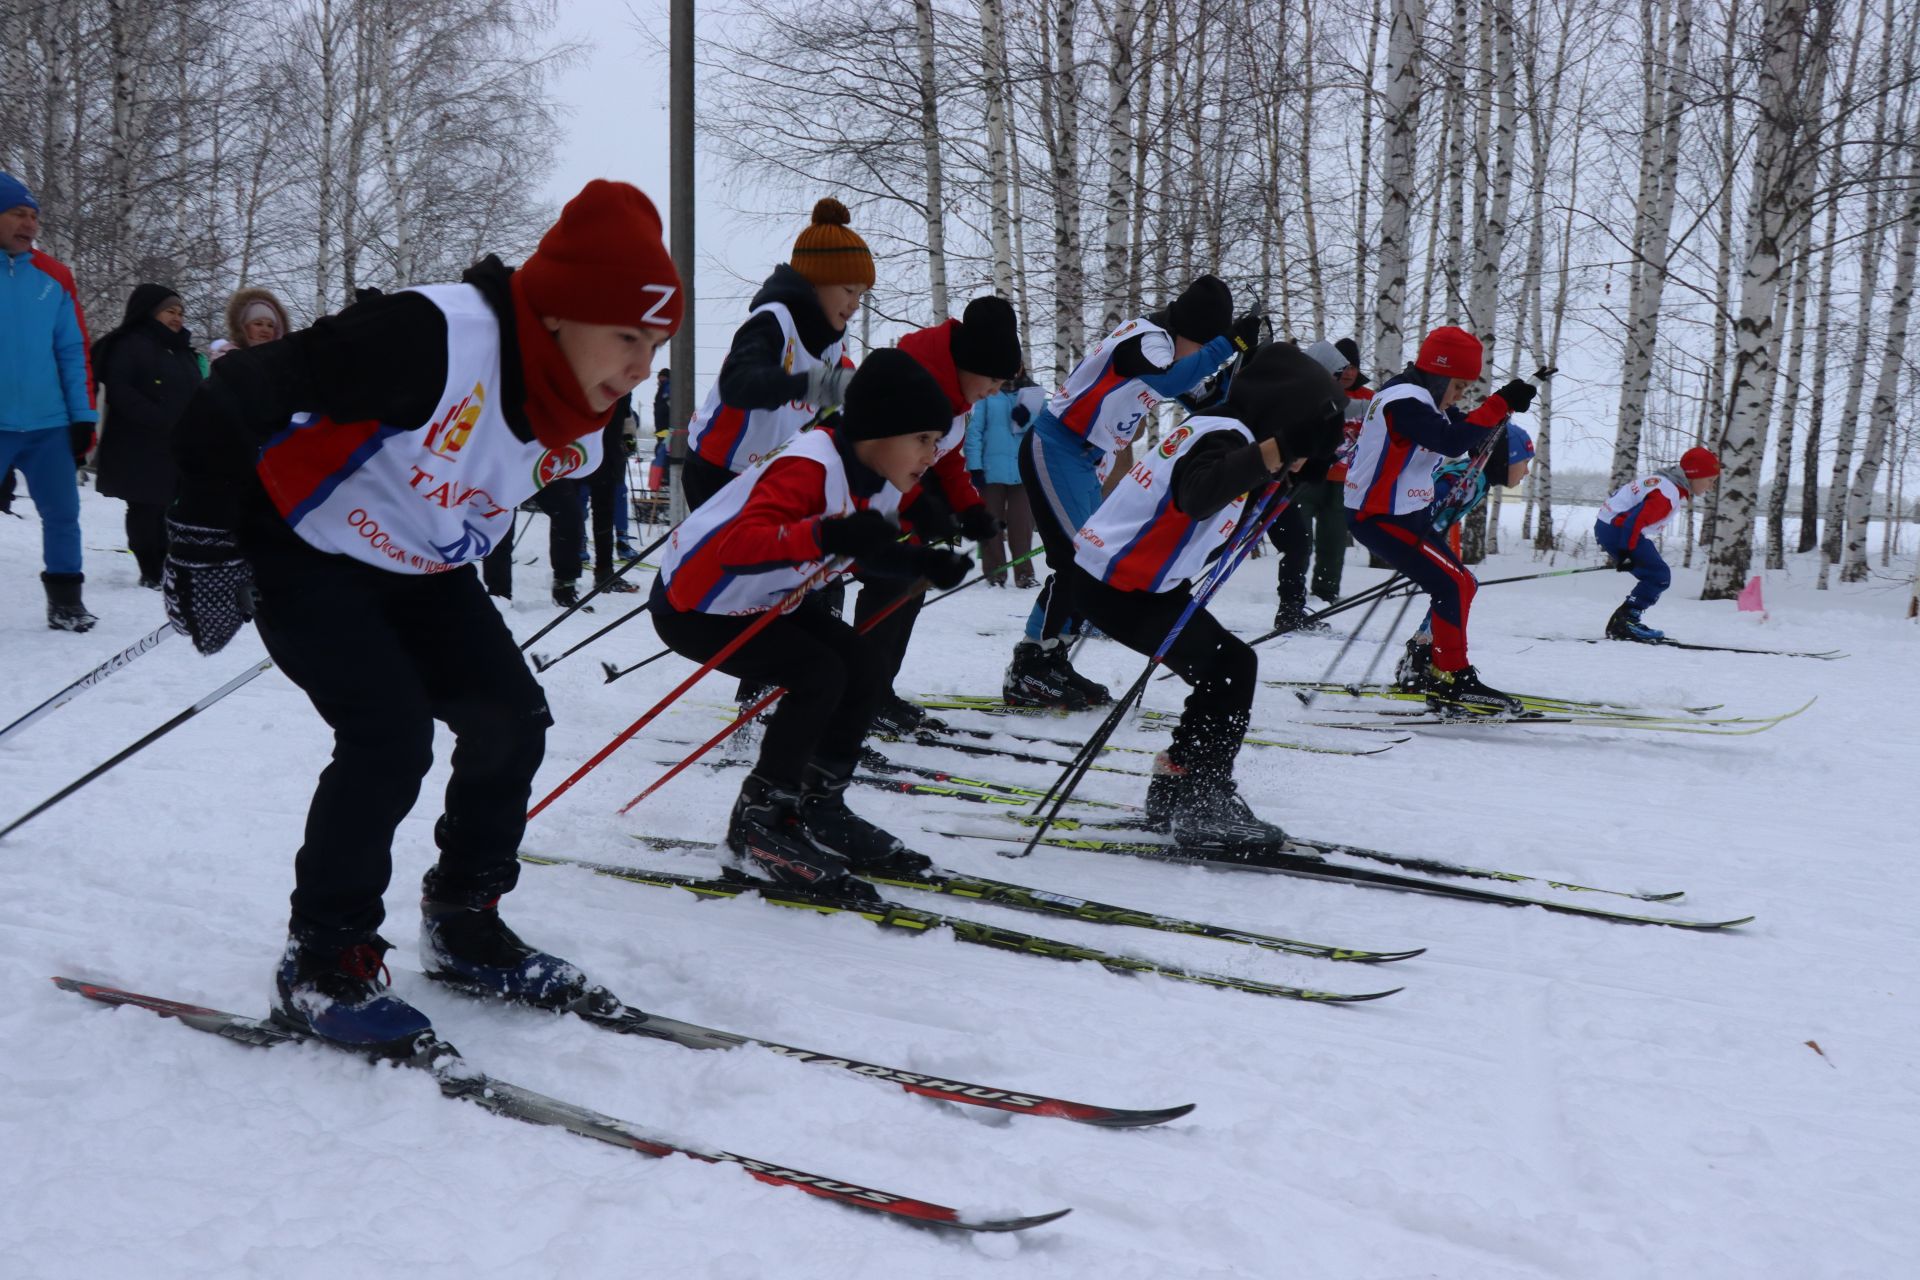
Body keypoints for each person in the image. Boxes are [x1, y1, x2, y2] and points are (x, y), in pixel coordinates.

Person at [165, 179, 681, 1053]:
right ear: (556, 314)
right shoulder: (431, 333)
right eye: (628, 338)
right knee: (389, 734)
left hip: (420, 565)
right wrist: (202, 543)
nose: (641, 368)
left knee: (511, 721)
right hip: (304, 541)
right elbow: (231, 393)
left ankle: (463, 919)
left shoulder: (586, 399)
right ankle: (323, 960)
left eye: (657, 345)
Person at [650, 349, 971, 901]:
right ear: (880, 431)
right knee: (818, 673)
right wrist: (826, 536)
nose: (932, 452)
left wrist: (921, 561)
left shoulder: (877, 474)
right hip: (699, 605)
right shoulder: (811, 465)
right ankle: (759, 826)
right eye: (922, 438)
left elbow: (863, 548)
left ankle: (820, 808)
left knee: (862, 663)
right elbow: (738, 546)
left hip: (766, 599)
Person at [1066, 342, 1345, 847]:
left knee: (1227, 668)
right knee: (1231, 669)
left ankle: (1179, 784)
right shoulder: (1223, 435)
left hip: (1127, 582)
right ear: (1282, 414)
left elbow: (1237, 501)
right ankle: (1201, 798)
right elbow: (1200, 493)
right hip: (1119, 587)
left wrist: (1292, 472)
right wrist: (1281, 448)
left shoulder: (1220, 429)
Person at [1005, 274, 1257, 709]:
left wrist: (1243, 375)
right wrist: (1226, 345)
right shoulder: (1146, 339)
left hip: (1085, 457)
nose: (1202, 359)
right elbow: (1167, 381)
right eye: (1202, 349)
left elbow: (1203, 398)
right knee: (1079, 563)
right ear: (1192, 334)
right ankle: (1032, 664)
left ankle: (1051, 656)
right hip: (1058, 444)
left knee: (1091, 560)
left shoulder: (1170, 348)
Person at [1343, 325, 1536, 716]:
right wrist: (1499, 404)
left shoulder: (1416, 398)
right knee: (1455, 584)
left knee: (1459, 583)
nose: (1459, 396)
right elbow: (1450, 442)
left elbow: (1457, 427)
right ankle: (1452, 677)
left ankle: (1433, 664)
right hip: (1381, 516)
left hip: (1399, 514)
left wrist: (1503, 406)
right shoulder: (1406, 400)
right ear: (1441, 375)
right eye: (1459, 386)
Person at [859, 295, 1020, 733]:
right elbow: (884, 463)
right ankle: (858, 698)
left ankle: (877, 692)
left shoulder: (954, 397)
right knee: (890, 589)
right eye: (991, 380)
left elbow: (946, 458)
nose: (992, 392)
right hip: (860, 501)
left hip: (900, 502)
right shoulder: (915, 384)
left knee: (908, 589)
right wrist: (926, 512)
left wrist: (971, 508)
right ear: (970, 364)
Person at [682, 198, 869, 510]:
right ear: (816, 281)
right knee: (734, 558)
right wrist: (807, 384)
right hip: (719, 468)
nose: (855, 304)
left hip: (768, 473)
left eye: (861, 294)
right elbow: (738, 384)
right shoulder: (774, 319)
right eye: (849, 291)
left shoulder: (834, 339)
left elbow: (826, 410)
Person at [0, 171, 100, 631]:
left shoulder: (55, 277)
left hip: (48, 424)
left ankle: (66, 602)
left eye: (34, 215)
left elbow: (72, 349)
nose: (29, 224)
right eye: (18, 213)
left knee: (63, 514)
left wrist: (82, 417)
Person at [1393, 420, 1536, 687]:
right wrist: (1425, 530)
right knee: (1459, 585)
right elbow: (1431, 496)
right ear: (1505, 459)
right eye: (1525, 462)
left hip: (1417, 536)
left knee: (1460, 584)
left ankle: (1421, 652)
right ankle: (1424, 656)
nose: (1526, 472)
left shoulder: (1477, 479)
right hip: (1407, 534)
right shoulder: (1468, 478)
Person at [92, 284, 204, 588]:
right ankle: (151, 569)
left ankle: (168, 565)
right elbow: (120, 390)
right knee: (145, 506)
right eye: (170, 311)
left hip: (175, 444)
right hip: (137, 443)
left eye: (180, 312)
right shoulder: (130, 344)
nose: (177, 318)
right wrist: (159, 417)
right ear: (150, 311)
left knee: (170, 507)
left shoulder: (183, 351)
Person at [1595, 447, 1721, 642]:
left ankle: (1624, 621)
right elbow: (1632, 522)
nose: (1710, 487)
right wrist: (1626, 552)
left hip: (1612, 527)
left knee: (1655, 574)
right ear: (1695, 475)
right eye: (1710, 480)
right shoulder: (1667, 494)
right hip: (1618, 530)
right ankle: (1625, 622)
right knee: (1658, 576)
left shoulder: (1667, 484)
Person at [965, 373, 1035, 589]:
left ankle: (1024, 574)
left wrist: (1029, 419)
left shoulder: (1033, 394)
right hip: (990, 471)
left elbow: (1041, 432)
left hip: (1022, 471)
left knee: (1021, 525)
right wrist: (975, 466)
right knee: (990, 523)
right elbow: (974, 431)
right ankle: (995, 572)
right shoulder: (988, 392)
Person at [226, 288, 291, 349]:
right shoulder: (227, 356)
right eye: (258, 324)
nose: (265, 330)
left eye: (270, 326)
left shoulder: (284, 358)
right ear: (244, 327)